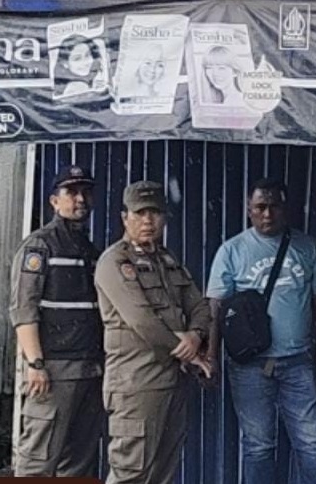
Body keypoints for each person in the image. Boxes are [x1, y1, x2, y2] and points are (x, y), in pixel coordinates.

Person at [206, 178, 316, 484]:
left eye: (274, 206)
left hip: (298, 360)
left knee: (311, 443)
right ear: (248, 209)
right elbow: (215, 310)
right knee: (258, 445)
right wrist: (210, 356)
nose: (267, 214)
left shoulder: (308, 248)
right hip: (249, 365)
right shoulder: (231, 251)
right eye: (260, 207)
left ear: (284, 209)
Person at [94, 181, 213, 484]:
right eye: (140, 213)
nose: (148, 220)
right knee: (130, 473)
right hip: (136, 384)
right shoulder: (115, 262)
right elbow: (142, 320)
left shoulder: (168, 261)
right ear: (125, 218)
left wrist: (196, 335)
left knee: (163, 472)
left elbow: (200, 306)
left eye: (155, 213)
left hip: (172, 382)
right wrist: (188, 350)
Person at [9, 165, 105, 477]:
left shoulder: (90, 250)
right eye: (71, 192)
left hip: (90, 369)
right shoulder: (40, 246)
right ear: (54, 201)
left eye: (85, 192)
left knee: (78, 464)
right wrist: (36, 364)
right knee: (38, 462)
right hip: (53, 371)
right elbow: (24, 309)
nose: (80, 199)